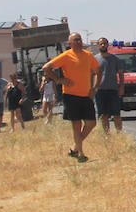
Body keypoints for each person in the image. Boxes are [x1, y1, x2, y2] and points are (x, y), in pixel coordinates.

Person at [42, 32, 100, 162]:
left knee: (91, 123)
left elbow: (98, 72)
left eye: (80, 39)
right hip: (70, 95)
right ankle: (81, 154)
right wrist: (59, 79)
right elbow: (46, 68)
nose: (79, 42)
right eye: (76, 40)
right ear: (70, 43)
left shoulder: (88, 55)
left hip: (86, 95)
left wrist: (94, 88)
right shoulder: (66, 56)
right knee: (76, 124)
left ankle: (74, 147)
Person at [94, 37, 125, 134]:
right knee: (103, 115)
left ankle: (119, 134)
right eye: (101, 43)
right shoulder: (94, 59)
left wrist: (121, 87)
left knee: (116, 114)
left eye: (105, 43)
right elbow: (91, 74)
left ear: (108, 45)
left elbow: (120, 73)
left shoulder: (114, 59)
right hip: (100, 91)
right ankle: (107, 135)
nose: (103, 45)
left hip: (113, 90)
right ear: (98, 45)